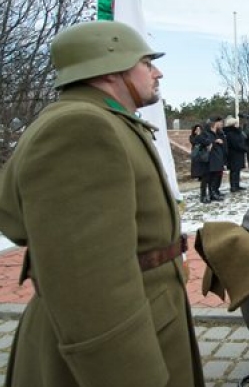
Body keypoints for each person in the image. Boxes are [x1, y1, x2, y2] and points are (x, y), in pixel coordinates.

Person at [0, 21, 204, 386]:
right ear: (111, 69)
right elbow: (89, 284)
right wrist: (130, 375)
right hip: (118, 344)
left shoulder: (97, 120)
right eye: (146, 62)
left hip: (150, 313)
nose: (157, 72)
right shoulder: (80, 128)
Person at [196, 116, 226, 202]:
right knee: (206, 178)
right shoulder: (206, 132)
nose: (221, 124)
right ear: (215, 123)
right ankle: (203, 196)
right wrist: (213, 142)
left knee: (214, 177)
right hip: (208, 158)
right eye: (220, 122)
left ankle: (213, 194)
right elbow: (198, 139)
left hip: (217, 157)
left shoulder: (219, 132)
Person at [224, 116, 247, 192]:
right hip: (233, 154)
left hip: (239, 154)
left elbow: (242, 140)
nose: (238, 124)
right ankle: (233, 186)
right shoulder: (230, 133)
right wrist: (245, 148)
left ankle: (237, 185)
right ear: (233, 124)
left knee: (237, 170)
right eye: (236, 123)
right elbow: (235, 144)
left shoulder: (238, 132)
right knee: (234, 171)